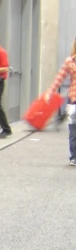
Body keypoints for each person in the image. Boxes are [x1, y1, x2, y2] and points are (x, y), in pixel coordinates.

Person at [44, 37, 76, 165]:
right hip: (73, 99)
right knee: (73, 129)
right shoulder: (70, 61)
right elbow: (59, 77)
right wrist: (49, 92)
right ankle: (73, 156)